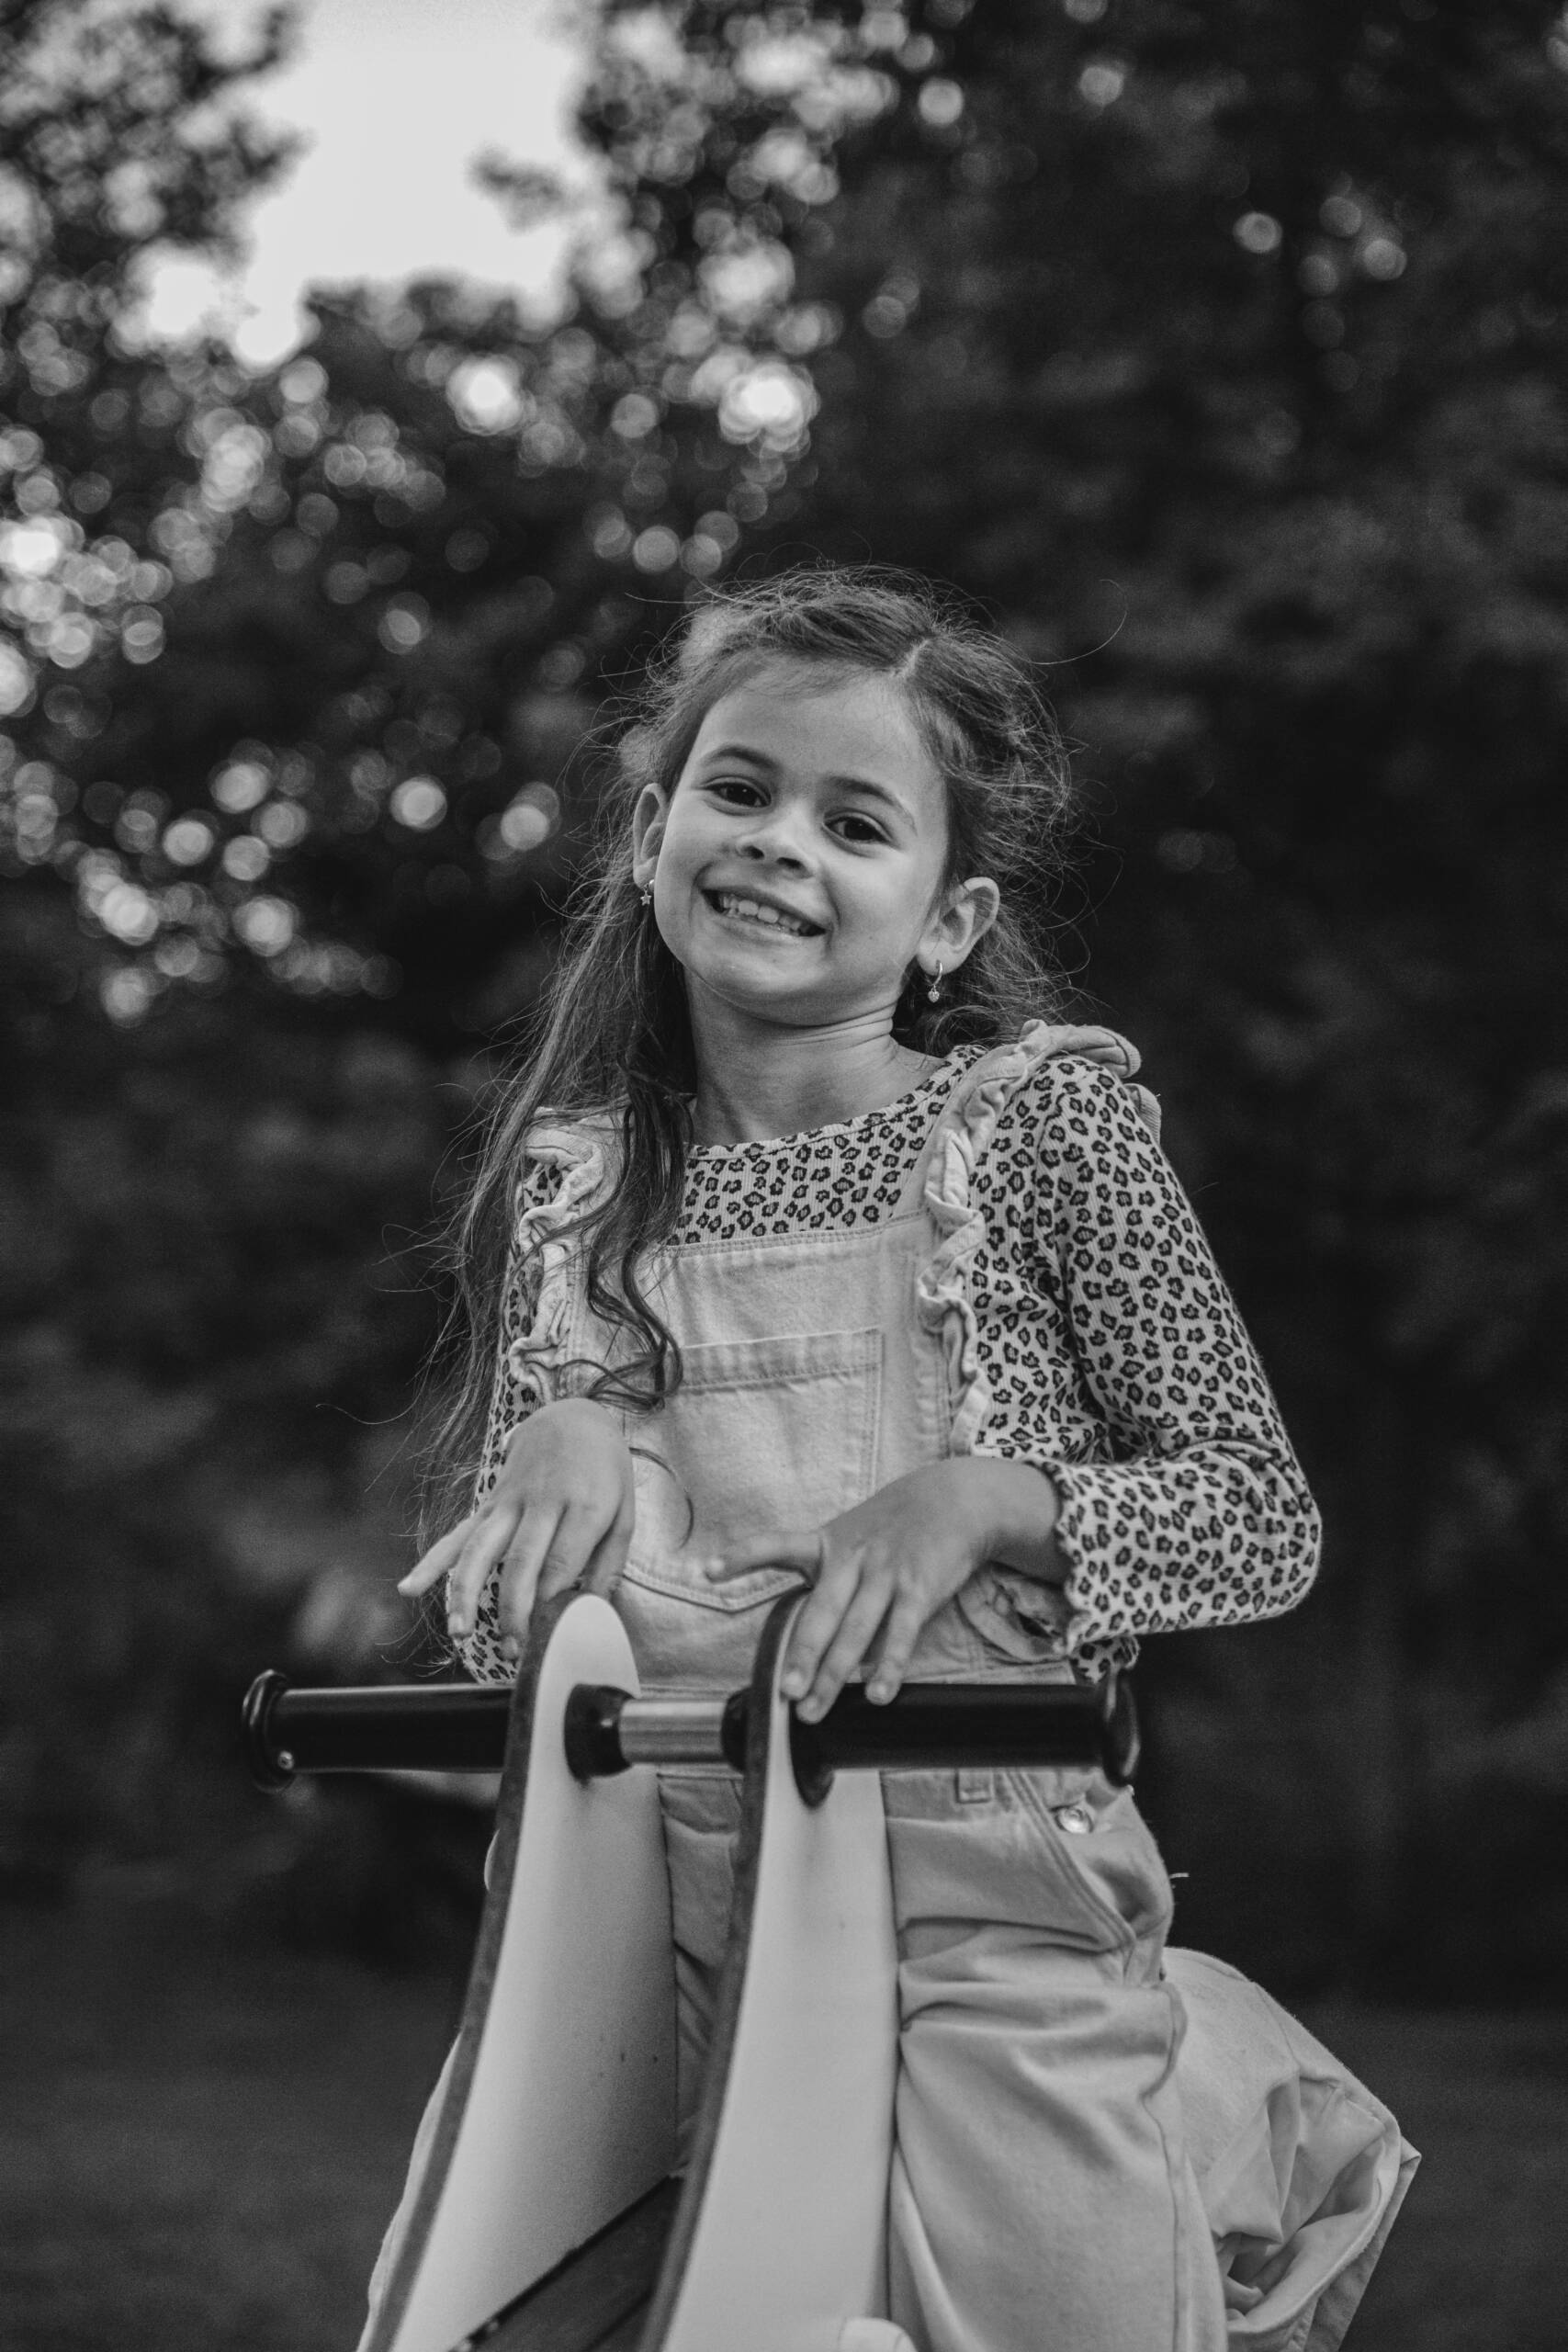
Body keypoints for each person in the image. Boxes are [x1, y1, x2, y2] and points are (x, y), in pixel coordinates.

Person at [383, 568, 1416, 2352]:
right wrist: (560, 1435)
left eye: (853, 819)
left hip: (978, 1918)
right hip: (656, 1939)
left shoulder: (1036, 1134)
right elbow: (519, 1665)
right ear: (649, 839)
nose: (781, 840)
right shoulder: (581, 1196)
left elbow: (1258, 1515)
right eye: (740, 787)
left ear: (946, 918)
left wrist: (994, 1495)